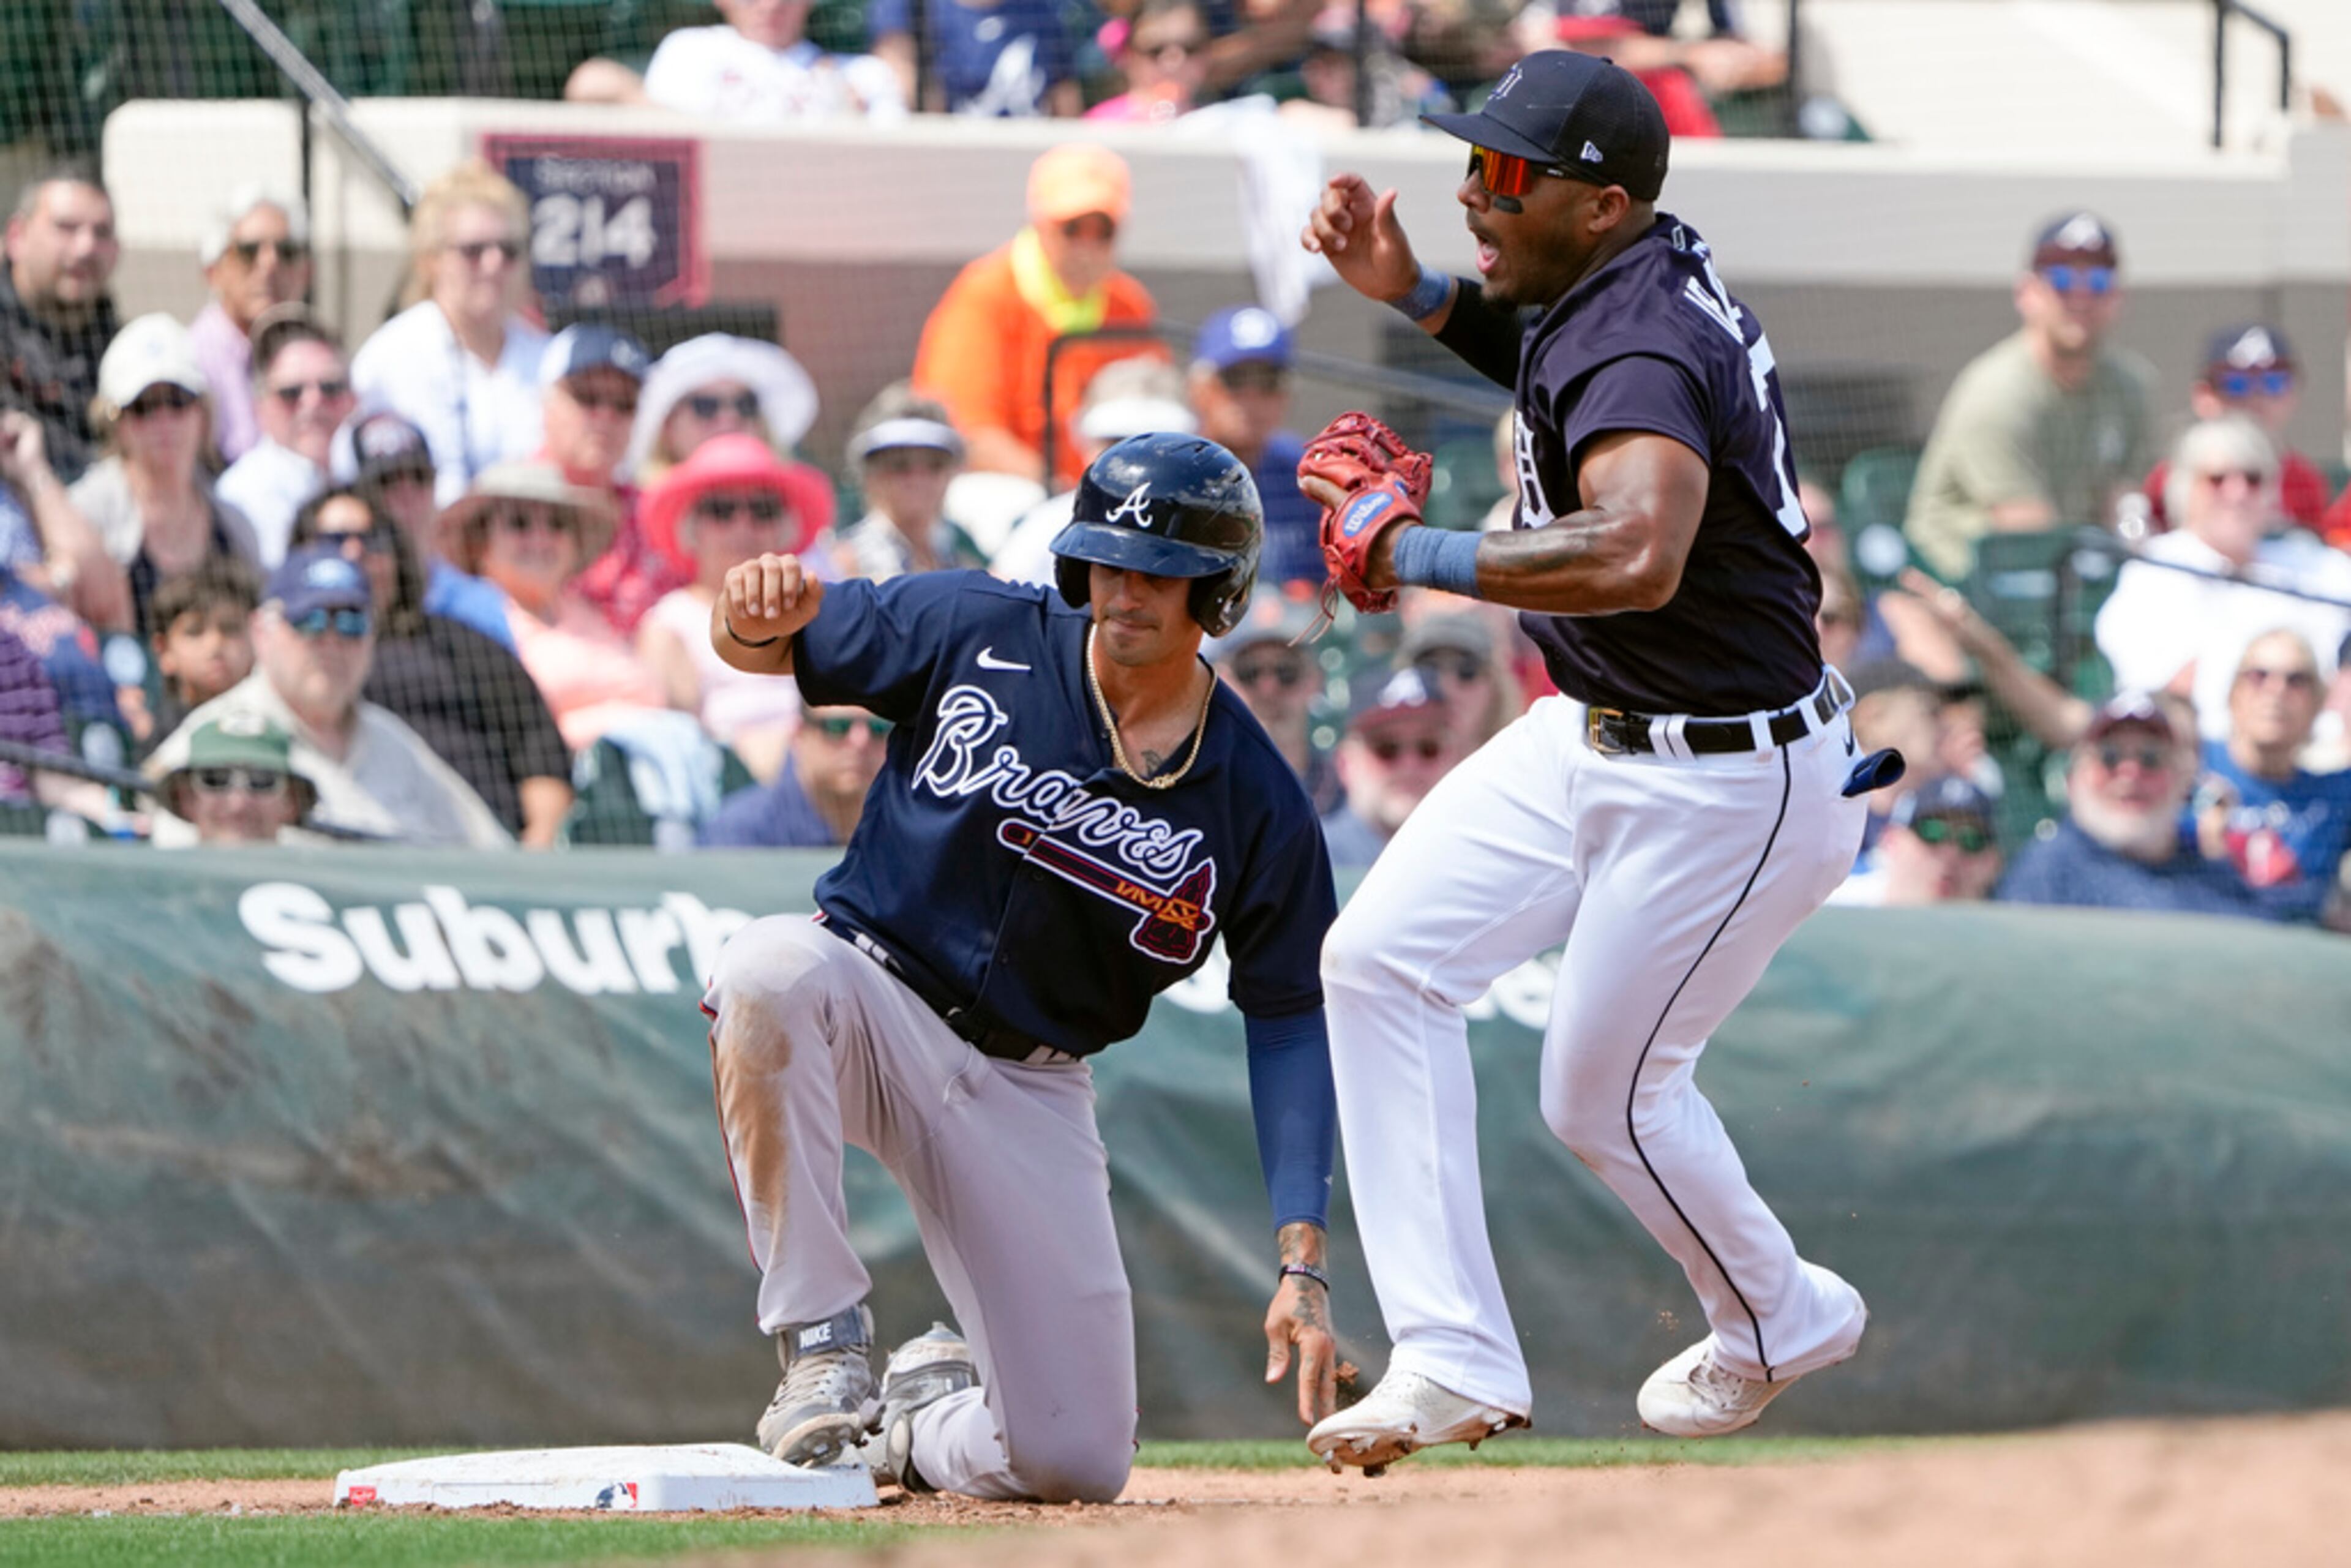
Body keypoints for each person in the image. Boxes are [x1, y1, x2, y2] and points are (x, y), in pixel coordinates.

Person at [1297, 49, 1875, 1463]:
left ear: (1599, 201)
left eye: (1502, 175)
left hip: (1725, 779)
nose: (1470, 194)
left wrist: (1406, 547)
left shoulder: (1642, 334)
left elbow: (1632, 546)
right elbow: (1559, 365)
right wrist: (1418, 295)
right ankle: (1445, 1354)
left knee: (1600, 1092)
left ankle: (1776, 1313)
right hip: (1594, 726)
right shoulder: (1623, 284)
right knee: (1377, 960)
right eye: (1473, 166)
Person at [699, 432, 1341, 1501]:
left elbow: (1289, 1019)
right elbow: (763, 644)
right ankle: (822, 1335)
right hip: (871, 999)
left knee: (1074, 1461)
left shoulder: (1255, 799)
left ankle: (918, 1422)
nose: (1125, 590)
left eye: (1161, 571)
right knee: (765, 970)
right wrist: (745, 609)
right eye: (1107, 561)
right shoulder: (977, 625)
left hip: (1028, 1083)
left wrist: (1300, 1257)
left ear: (1216, 594)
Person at [143, 544, 511, 848]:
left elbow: (492, 853)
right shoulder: (215, 737)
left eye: (351, 623)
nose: (332, 642)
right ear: (262, 631)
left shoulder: (395, 743)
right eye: (311, 622)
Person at [290, 487, 574, 847]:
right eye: (334, 540)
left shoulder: (461, 644)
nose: (355, 553)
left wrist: (540, 842)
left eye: (373, 539)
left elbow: (538, 744)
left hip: (483, 853)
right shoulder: (287, 652)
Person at [1905, 212, 2156, 582]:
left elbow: (2126, 502)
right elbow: (2027, 529)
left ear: (2117, 296)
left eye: (2099, 280)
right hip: (1963, 581)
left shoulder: (2129, 384)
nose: (2082, 296)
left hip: (2067, 569)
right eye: (2063, 280)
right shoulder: (1997, 392)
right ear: (2028, 293)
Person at [912, 144, 1159, 490]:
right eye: (1072, 229)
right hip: (1015, 498)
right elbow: (969, 434)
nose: (1086, 249)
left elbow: (1159, 419)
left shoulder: (1130, 306)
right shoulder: (984, 296)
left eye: (1102, 232)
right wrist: (1062, 494)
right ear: (1038, 224)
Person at [2094, 416, 2351, 744]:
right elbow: (2174, 694)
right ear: (2185, 489)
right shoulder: (2156, 569)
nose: (2238, 492)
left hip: (2328, 748)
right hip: (2211, 754)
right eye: (2218, 479)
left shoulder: (2312, 561)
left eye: (2253, 478)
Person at [595, 334, 823, 636]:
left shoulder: (793, 515)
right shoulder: (620, 515)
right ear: (667, 426)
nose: (728, 417)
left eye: (745, 405)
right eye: (706, 406)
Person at [351, 161, 547, 508]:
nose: (494, 265)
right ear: (430, 260)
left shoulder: (546, 357)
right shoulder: (391, 356)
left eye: (509, 250)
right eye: (474, 251)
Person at [637, 434, 825, 779]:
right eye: (721, 511)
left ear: (784, 527)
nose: (743, 527)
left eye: (762, 510)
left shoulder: (812, 606)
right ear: (692, 529)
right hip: (725, 785)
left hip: (823, 769)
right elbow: (683, 739)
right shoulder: (669, 622)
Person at [443, 460, 666, 751]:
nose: (541, 539)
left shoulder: (586, 612)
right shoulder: (473, 620)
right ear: (479, 543)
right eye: (520, 524)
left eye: (557, 525)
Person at [69, 314, 260, 636]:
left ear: (204, 412)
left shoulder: (235, 524)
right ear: (114, 423)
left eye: (178, 400)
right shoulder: (82, 515)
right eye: (144, 406)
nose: (164, 421)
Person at [1996, 692, 2267, 920]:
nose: (2129, 773)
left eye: (2150, 758)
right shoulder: (2048, 873)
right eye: (2110, 757)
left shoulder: (2213, 876)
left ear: (2182, 777)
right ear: (2076, 773)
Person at [989, 356, 1199, 585]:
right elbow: (997, 603)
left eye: (1156, 447)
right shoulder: (1044, 526)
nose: (1135, 464)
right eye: (1115, 444)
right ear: (1081, 438)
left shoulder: (1209, 528)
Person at [2192, 629, 2351, 928]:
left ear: (2319, 702)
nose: (2276, 691)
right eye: (2259, 676)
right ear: (2233, 693)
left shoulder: (2335, 796)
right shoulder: (2186, 768)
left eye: (2296, 681)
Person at [334, 407, 515, 649]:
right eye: (387, 481)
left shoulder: (480, 603)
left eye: (419, 477)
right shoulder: (335, 601)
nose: (407, 495)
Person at [2142, 325, 2334, 534]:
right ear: (2204, 396)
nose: (2257, 398)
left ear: (2293, 395)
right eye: (2237, 384)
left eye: (2273, 382)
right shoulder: (2171, 477)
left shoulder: (2305, 480)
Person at [1186, 307, 1322, 591]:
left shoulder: (1307, 476)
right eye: (1234, 379)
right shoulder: (1173, 472)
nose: (1252, 398)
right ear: (1199, 388)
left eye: (1268, 382)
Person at [0, 165, 119, 485]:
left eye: (102, 232)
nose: (86, 248)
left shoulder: (122, 353)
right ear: (16, 237)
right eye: (66, 228)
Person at [216, 312, 357, 566]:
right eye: (291, 393)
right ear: (259, 408)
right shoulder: (240, 497)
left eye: (330, 388)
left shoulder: (367, 474)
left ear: (352, 400)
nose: (313, 403)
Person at [187, 187, 312, 465]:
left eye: (286, 251)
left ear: (306, 272)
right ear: (213, 272)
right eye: (248, 251)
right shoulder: (193, 361)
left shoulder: (314, 355)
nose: (270, 264)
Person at [819, 384, 986, 581]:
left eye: (935, 465)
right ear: (869, 474)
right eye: (899, 465)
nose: (918, 479)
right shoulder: (843, 564)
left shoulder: (965, 557)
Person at [1318, 663, 1463, 871]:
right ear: (1345, 764)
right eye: (1387, 749)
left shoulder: (1475, 855)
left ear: (1454, 759)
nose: (1410, 765)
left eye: (1428, 748)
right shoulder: (1313, 856)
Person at [1207, 591, 1336, 813]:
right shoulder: (1197, 790)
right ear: (1222, 682)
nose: (1268, 689)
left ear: (1315, 679)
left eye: (1286, 672)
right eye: (1249, 672)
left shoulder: (1351, 789)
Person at [699, 704, 892, 847]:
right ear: (799, 734)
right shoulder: (740, 832)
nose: (860, 741)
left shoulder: (905, 828)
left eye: (878, 728)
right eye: (837, 727)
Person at [869, 0, 1082, 116]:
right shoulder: (907, 7)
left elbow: (1065, 94)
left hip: (1031, 160)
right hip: (952, 160)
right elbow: (901, 91)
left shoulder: (1041, 10)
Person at [1829, 776, 2003, 906]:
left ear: (1993, 863)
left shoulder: (2000, 942)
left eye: (1971, 840)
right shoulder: (1835, 907)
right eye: (1932, 832)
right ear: (1891, 841)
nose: (1950, 853)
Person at [144, 558, 261, 752]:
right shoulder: (161, 737)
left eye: (231, 628)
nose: (215, 645)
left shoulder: (274, 722)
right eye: (195, 631)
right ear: (163, 650)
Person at [154, 713, 319, 845]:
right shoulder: (159, 885)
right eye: (215, 779)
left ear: (291, 801)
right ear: (186, 798)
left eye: (261, 781)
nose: (238, 804)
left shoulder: (316, 884)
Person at [1087, 0, 1213, 123]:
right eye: (1156, 50)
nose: (1174, 62)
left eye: (1190, 48)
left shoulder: (1217, 126)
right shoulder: (1101, 127)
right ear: (1128, 55)